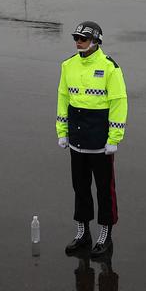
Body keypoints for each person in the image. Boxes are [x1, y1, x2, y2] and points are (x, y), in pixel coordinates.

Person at [57, 21, 128, 259]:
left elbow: (119, 103)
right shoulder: (68, 65)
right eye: (76, 38)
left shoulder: (110, 68)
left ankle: (105, 233)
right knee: (80, 187)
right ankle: (83, 232)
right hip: (77, 140)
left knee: (104, 190)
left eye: (83, 38)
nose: (79, 42)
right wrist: (62, 131)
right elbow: (63, 99)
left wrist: (114, 137)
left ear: (96, 41)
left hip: (100, 143)